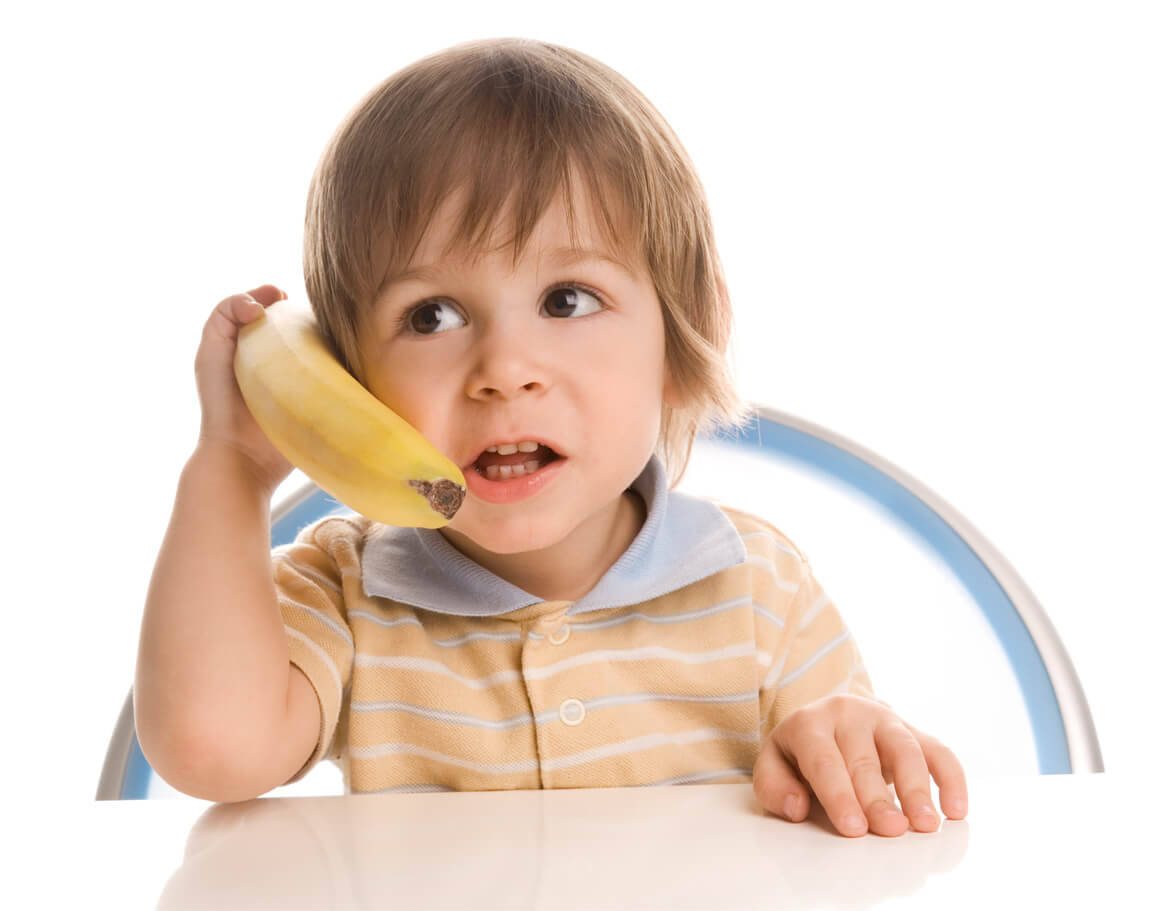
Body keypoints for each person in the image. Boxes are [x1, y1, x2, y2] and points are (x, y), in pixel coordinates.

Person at [135, 37, 967, 838]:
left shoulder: (758, 590)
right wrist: (233, 467)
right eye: (432, 316)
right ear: (349, 384)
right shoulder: (348, 595)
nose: (504, 368)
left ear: (682, 335)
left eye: (567, 299)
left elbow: (845, 800)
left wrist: (842, 745)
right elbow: (213, 749)